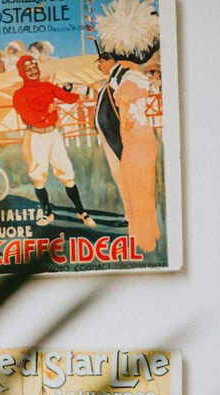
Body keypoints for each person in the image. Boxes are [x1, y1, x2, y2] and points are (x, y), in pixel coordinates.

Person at [93, 0, 163, 252]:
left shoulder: (130, 80)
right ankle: (144, 236)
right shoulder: (128, 79)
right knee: (138, 190)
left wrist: (124, 106)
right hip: (134, 141)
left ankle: (145, 240)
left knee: (139, 190)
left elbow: (128, 116)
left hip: (136, 142)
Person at [11, 55, 98, 228]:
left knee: (66, 173)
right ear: (22, 73)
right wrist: (47, 111)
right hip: (35, 137)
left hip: (53, 134)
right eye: (28, 70)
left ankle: (82, 212)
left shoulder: (48, 86)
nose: (33, 72)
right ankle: (48, 213)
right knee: (38, 176)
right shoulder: (19, 94)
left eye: (34, 68)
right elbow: (28, 116)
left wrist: (79, 89)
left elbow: (68, 98)